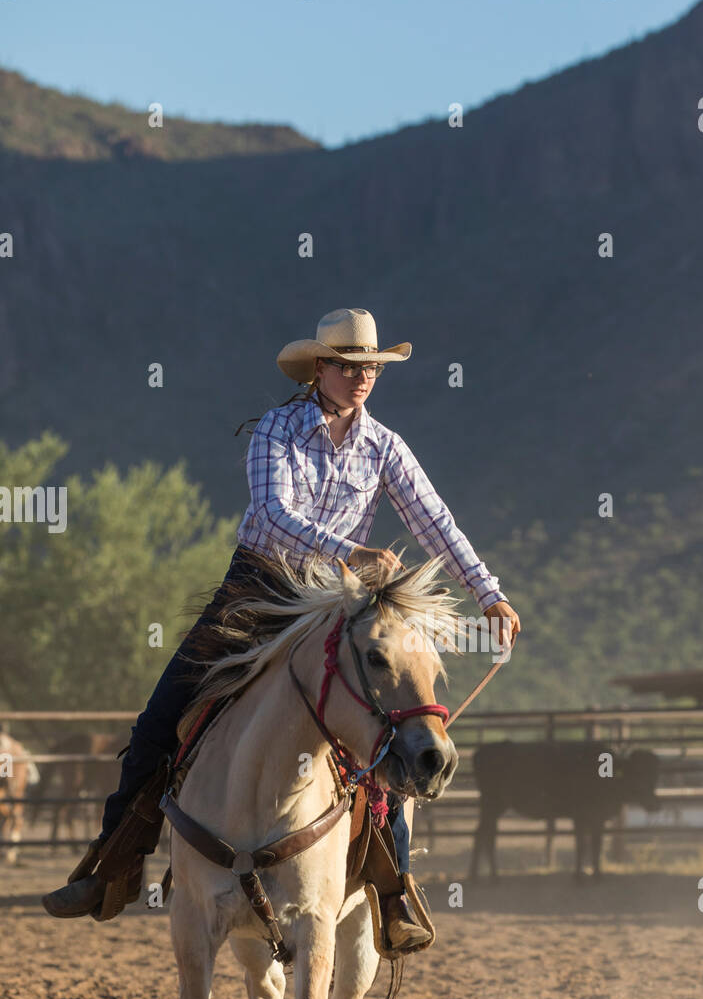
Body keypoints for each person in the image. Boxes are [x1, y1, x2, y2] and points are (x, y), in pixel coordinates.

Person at [43, 307, 521, 950]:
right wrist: (348, 551)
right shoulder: (279, 429)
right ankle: (115, 861)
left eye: (370, 368)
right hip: (258, 590)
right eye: (348, 366)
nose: (360, 377)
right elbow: (272, 515)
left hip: (333, 600)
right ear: (319, 368)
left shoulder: (386, 447)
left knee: (384, 719)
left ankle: (393, 883)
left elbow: (437, 521)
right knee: (162, 717)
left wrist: (488, 593)